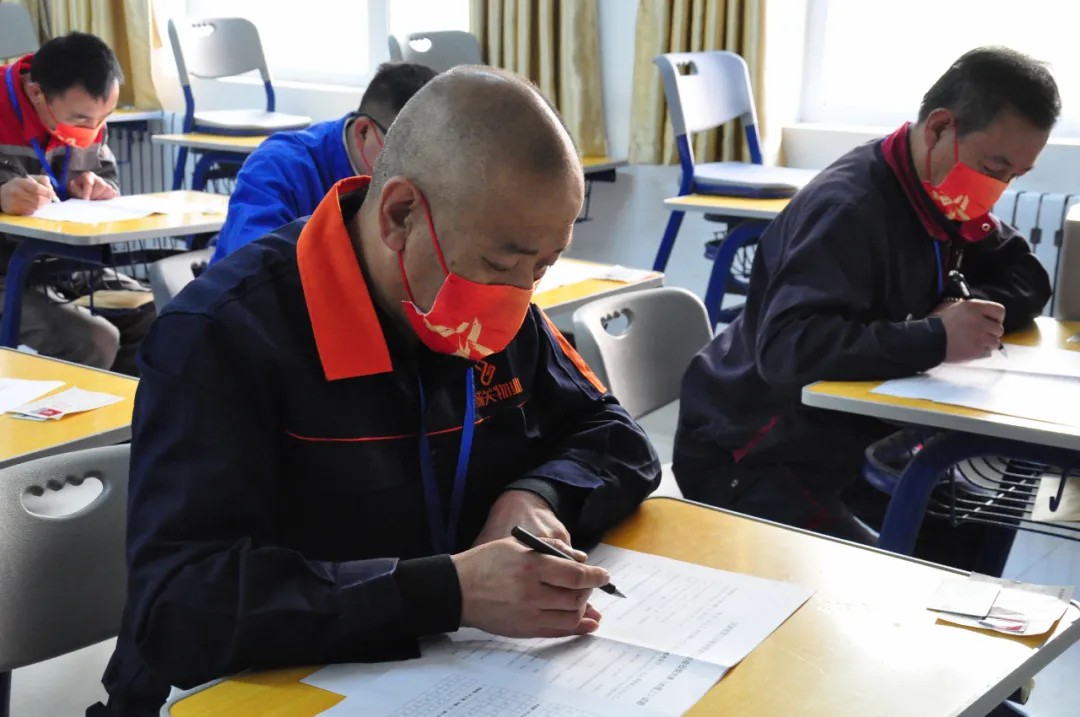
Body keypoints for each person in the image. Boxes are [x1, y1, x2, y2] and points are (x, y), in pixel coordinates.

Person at [91, 66, 660, 715]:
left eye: (543, 266)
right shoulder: (223, 336)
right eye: (502, 263)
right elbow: (179, 606)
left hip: (441, 673)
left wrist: (536, 494)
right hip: (239, 692)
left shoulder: (498, 315)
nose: (520, 294)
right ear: (399, 215)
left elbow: (617, 437)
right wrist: (447, 590)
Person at [674, 47, 1056, 565]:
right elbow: (789, 350)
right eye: (996, 167)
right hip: (754, 448)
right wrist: (936, 336)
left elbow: (1027, 277)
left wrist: (960, 310)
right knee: (884, 579)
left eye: (1016, 175)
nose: (999, 188)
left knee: (968, 533)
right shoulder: (849, 208)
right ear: (940, 128)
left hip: (849, 432)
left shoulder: (942, 192)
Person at [0, 32, 150, 374]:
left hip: (62, 265)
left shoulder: (89, 111)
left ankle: (130, 410)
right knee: (95, 340)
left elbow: (106, 177)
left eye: (104, 117)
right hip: (6, 271)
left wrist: (98, 188)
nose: (93, 129)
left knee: (161, 318)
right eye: (81, 120)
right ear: (36, 93)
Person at [209, 62, 437, 264]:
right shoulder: (278, 166)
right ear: (363, 132)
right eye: (408, 152)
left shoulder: (427, 182)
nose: (419, 171)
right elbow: (256, 269)